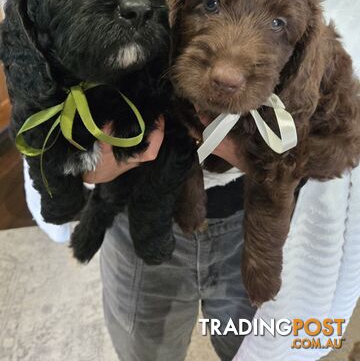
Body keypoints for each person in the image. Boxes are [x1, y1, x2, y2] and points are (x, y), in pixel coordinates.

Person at [83, 116, 256, 361]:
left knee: (260, 347)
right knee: (147, 352)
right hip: (137, 211)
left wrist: (279, 160)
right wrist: (77, 163)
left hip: (254, 216)